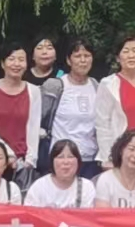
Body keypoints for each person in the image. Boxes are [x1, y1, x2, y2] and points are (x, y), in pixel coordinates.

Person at [0, 41, 44, 172]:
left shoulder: (34, 91)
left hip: (23, 162)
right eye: (11, 59)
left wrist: (29, 161)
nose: (16, 64)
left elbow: (34, 127)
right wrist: (7, 154)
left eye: (21, 60)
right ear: (3, 63)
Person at [42, 38, 102, 178]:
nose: (83, 60)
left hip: (90, 159)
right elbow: (40, 118)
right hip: (62, 159)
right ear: (69, 60)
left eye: (87, 56)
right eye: (77, 56)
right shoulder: (55, 86)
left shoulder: (96, 86)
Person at [96, 35, 135, 166]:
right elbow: (102, 123)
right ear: (117, 57)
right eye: (126, 51)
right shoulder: (108, 84)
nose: (131, 55)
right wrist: (108, 157)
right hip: (118, 155)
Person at [25, 139, 97, 208]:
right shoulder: (39, 186)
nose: (66, 162)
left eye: (70, 157)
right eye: (60, 157)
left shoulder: (87, 187)